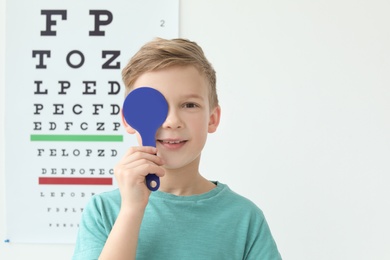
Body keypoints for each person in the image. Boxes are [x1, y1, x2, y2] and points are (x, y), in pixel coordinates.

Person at [72, 38, 282, 260]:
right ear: (129, 119)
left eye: (189, 105)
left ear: (212, 119)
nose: (172, 121)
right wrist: (132, 210)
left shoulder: (244, 218)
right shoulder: (103, 211)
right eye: (154, 106)